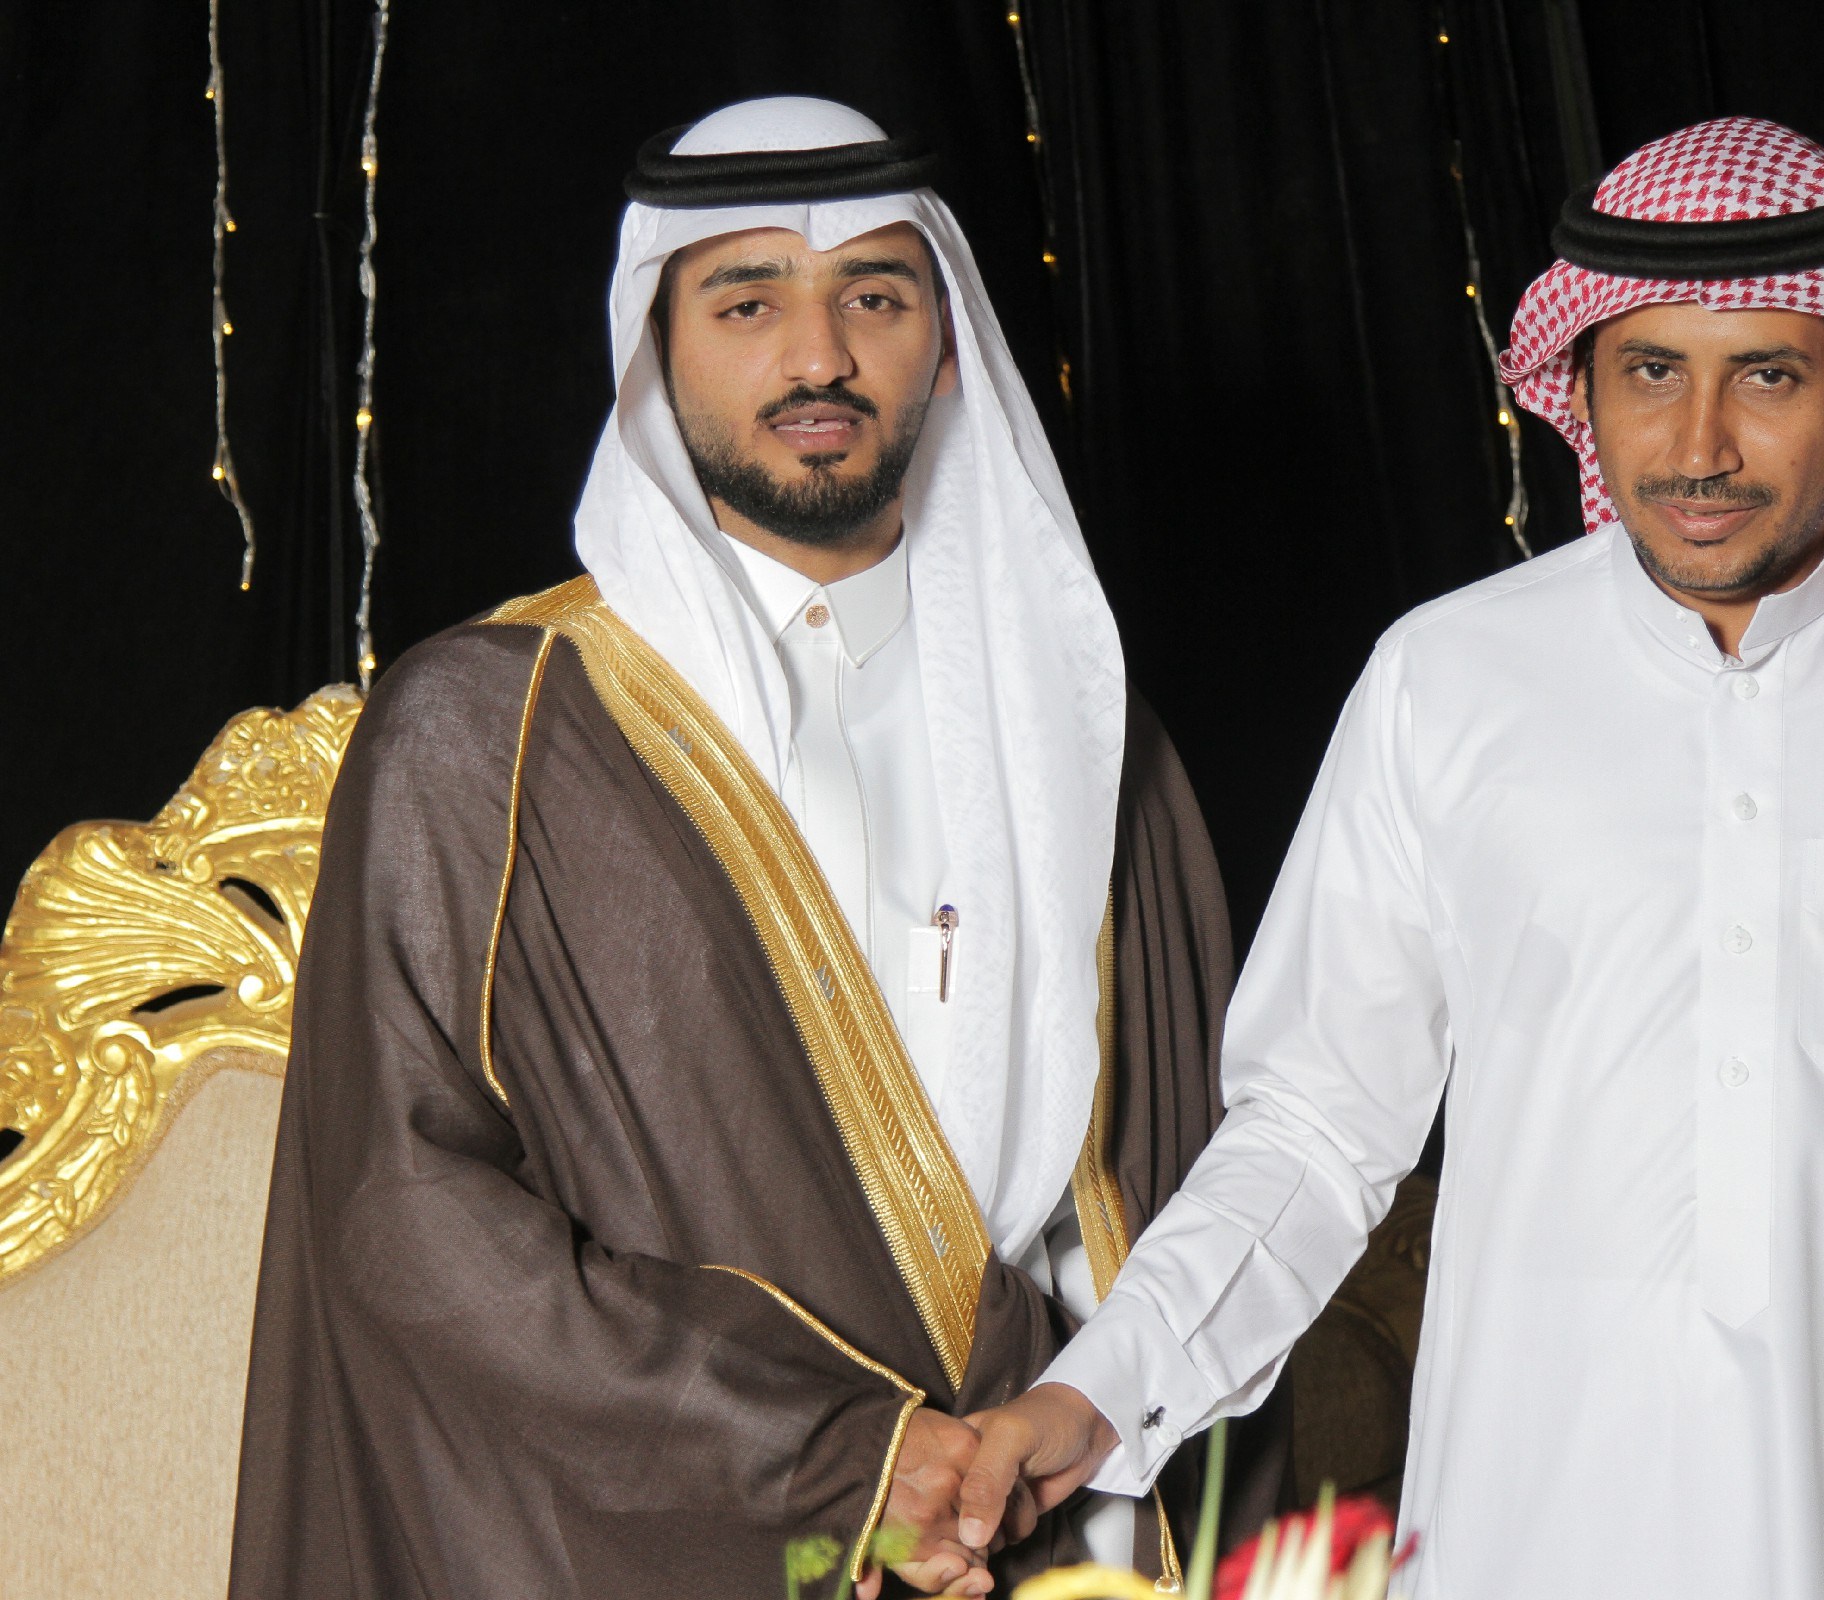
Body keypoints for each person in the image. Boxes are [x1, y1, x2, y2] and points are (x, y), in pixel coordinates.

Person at [956, 118, 1824, 1598]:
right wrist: (1099, 1394)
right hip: (1533, 1537)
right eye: (1650, 373)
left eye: (1767, 376)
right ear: (1577, 386)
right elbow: (1312, 1130)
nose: (1698, 447)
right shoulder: (1446, 681)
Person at [229, 96, 1276, 1600]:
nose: (818, 357)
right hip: (661, 1537)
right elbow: (402, 1212)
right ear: (653, 345)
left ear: (948, 340)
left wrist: (1037, 1452)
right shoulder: (491, 734)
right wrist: (838, 1466)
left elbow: (1197, 1181)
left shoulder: (1094, 735)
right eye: (747, 302)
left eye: (875, 297)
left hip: (1061, 1526)